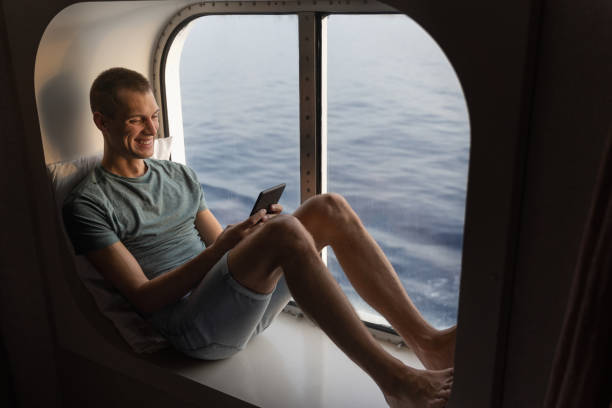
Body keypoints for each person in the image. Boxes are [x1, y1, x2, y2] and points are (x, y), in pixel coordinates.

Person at [63, 67, 455, 408]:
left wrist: (253, 234)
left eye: (154, 116)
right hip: (192, 330)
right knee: (286, 231)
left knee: (327, 207)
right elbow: (144, 298)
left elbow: (222, 254)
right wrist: (230, 247)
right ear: (102, 121)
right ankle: (395, 381)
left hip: (235, 311)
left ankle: (427, 344)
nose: (152, 130)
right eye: (136, 120)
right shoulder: (89, 203)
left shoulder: (178, 175)